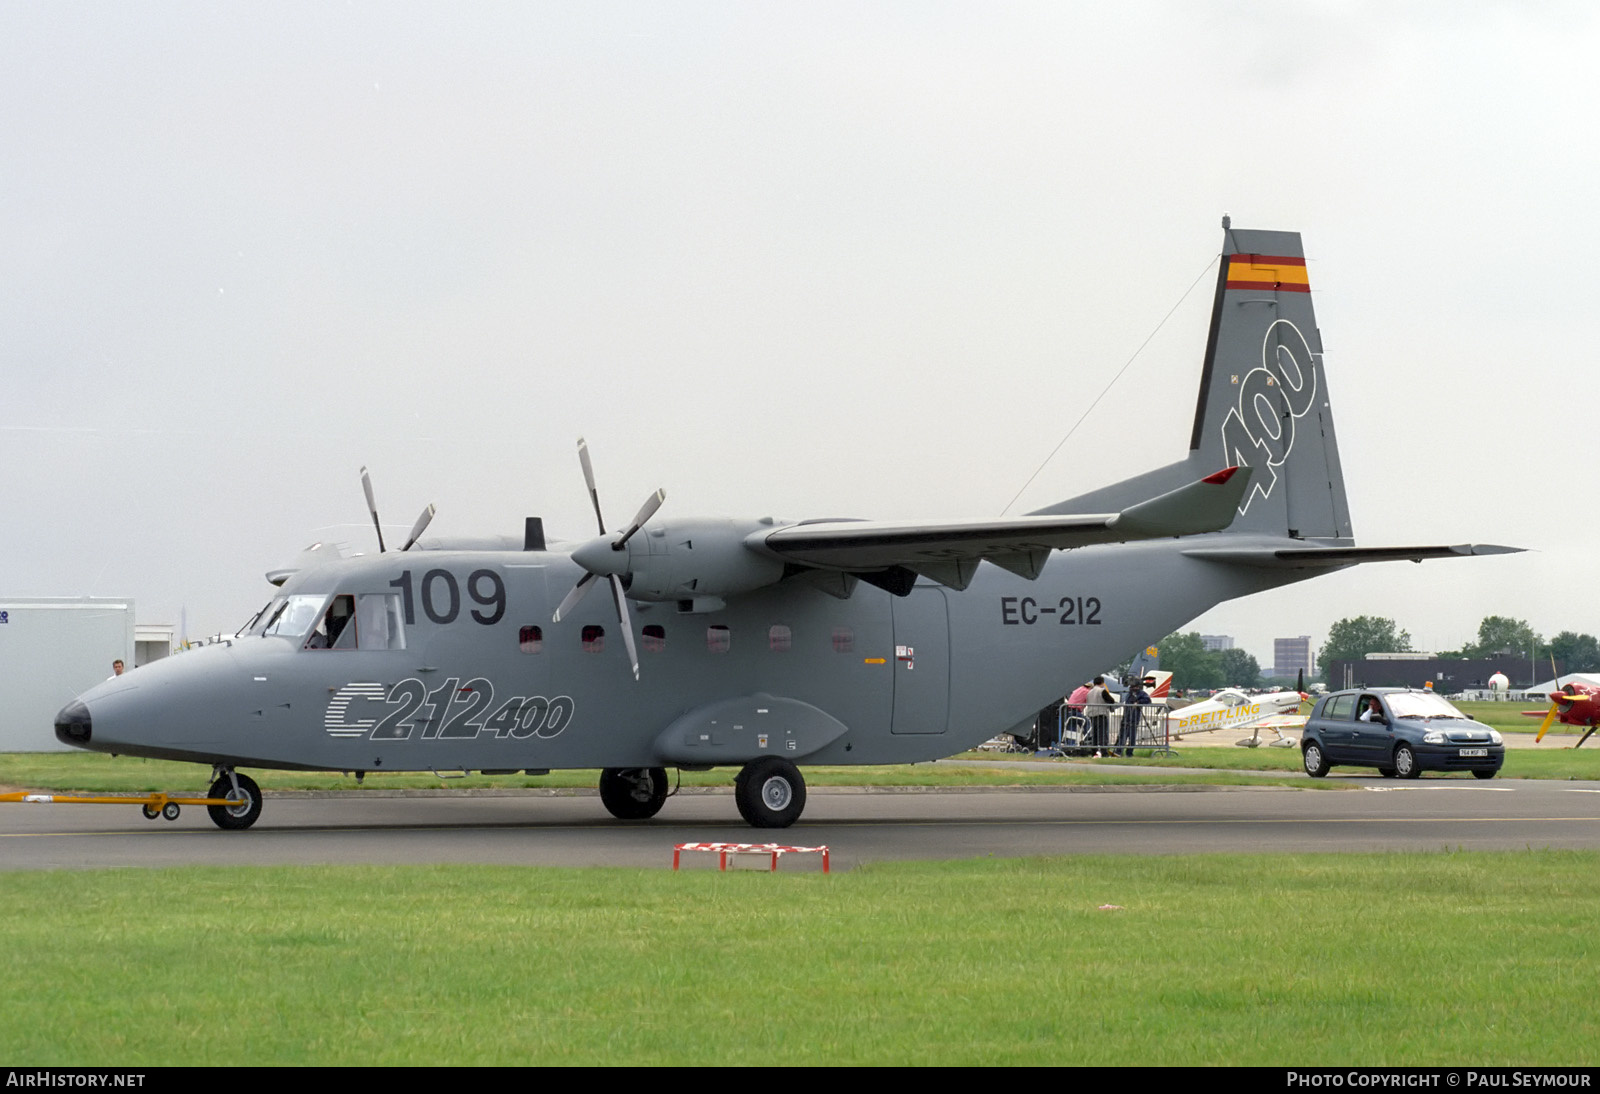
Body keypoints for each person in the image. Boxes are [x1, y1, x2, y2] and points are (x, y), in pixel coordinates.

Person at [1116, 677, 1150, 756]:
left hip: (1134, 718)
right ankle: (1118, 751)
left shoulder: (1141, 693)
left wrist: (1138, 702)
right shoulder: (1129, 694)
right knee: (1122, 735)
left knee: (1131, 736)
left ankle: (1129, 752)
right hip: (1126, 716)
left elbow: (1148, 700)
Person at [1084, 676, 1114, 754]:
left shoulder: (1089, 692)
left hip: (1091, 714)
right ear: (1102, 683)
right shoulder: (1102, 691)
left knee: (1094, 734)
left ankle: (1093, 751)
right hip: (1101, 714)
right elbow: (1111, 700)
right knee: (1103, 734)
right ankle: (1104, 752)